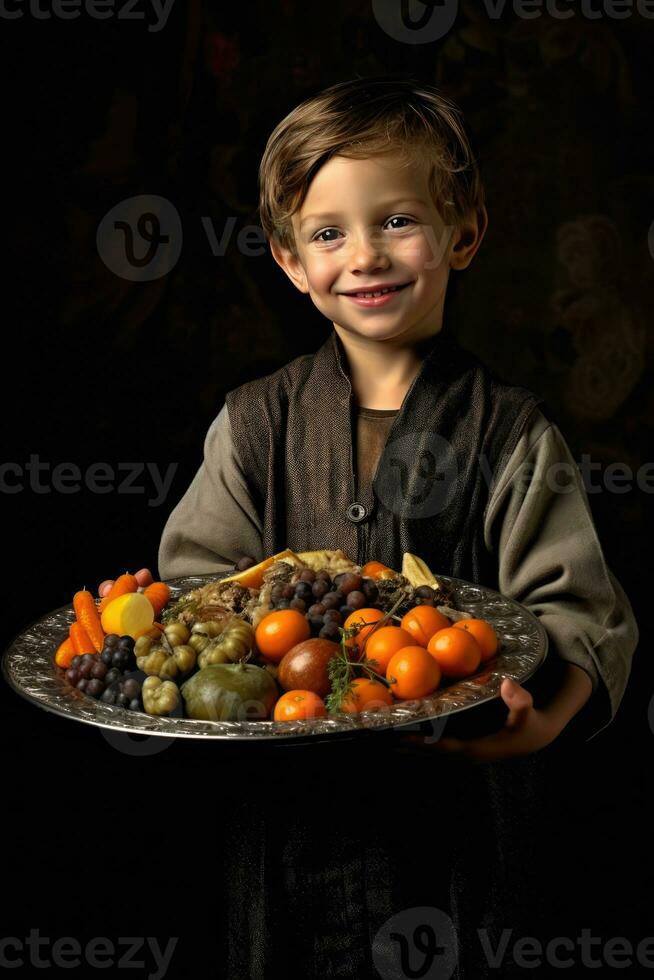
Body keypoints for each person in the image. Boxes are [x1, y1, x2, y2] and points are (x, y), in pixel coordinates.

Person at [101, 76, 639, 978]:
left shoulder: (509, 433)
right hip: (281, 840)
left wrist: (540, 726)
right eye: (328, 233)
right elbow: (197, 592)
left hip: (453, 836)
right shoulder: (255, 424)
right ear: (288, 261)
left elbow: (582, 612)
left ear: (463, 232)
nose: (365, 256)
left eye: (397, 220)